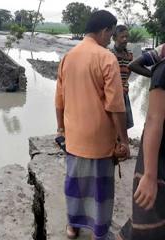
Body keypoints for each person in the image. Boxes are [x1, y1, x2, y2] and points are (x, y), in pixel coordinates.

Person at [55, 10, 130, 240]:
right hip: (99, 141)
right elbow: (116, 105)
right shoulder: (106, 58)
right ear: (105, 30)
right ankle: (99, 232)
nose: (110, 38)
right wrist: (124, 141)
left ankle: (73, 227)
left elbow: (59, 100)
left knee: (75, 185)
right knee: (100, 190)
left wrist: (61, 129)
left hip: (74, 138)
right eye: (110, 33)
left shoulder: (68, 57)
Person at [117, 44, 165, 240]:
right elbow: (154, 120)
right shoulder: (162, 69)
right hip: (159, 156)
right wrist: (149, 175)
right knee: (146, 217)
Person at [111, 25, 134, 130]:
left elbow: (128, 74)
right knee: (113, 120)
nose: (125, 39)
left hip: (124, 91)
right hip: (113, 93)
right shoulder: (109, 55)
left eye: (126, 37)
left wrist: (125, 85)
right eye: (122, 37)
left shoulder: (129, 55)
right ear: (114, 38)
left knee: (124, 121)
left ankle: (121, 141)